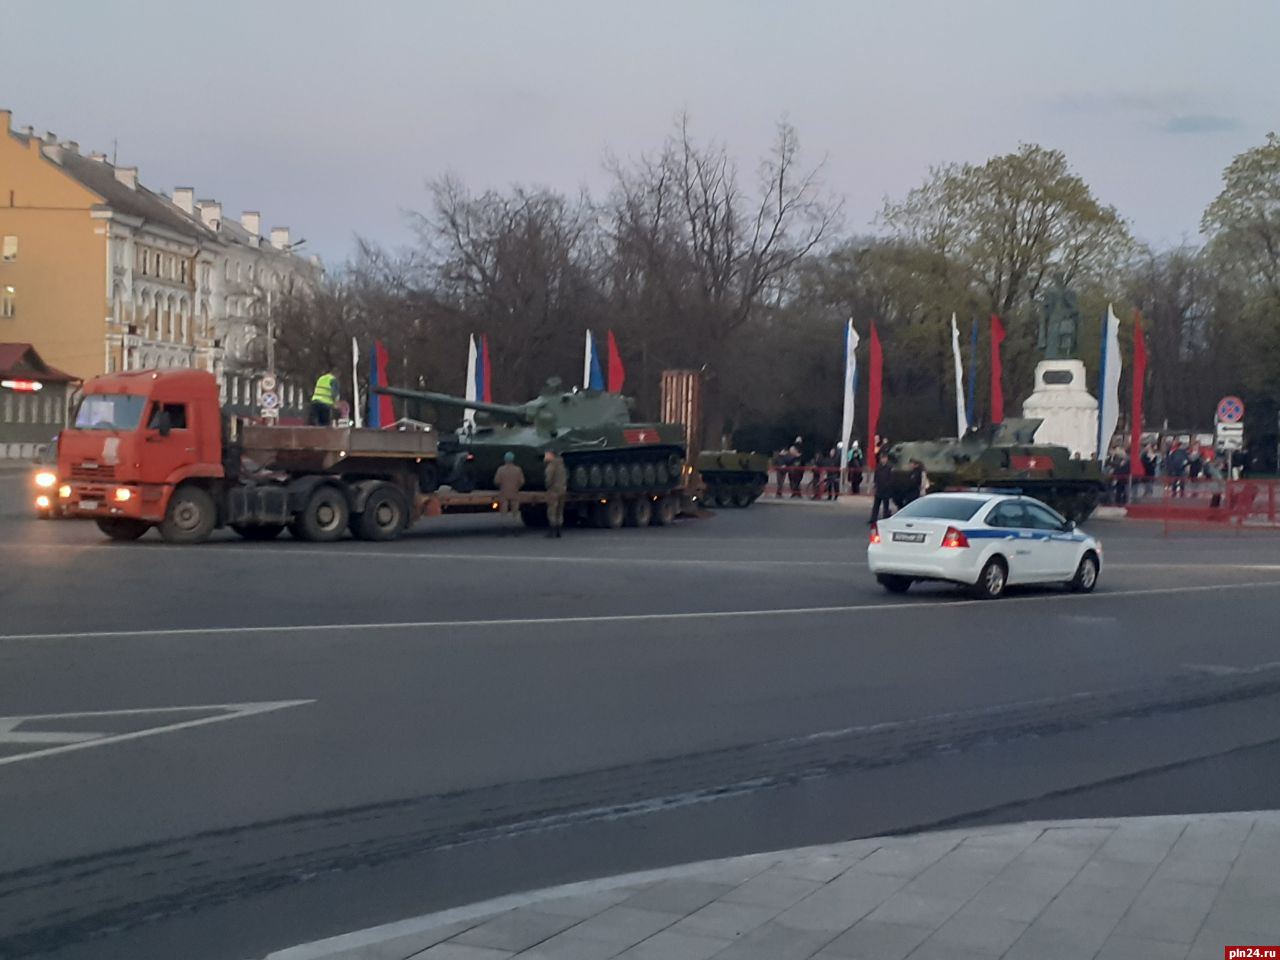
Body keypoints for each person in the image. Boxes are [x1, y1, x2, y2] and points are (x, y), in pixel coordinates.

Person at [493, 451, 525, 534]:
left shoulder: (501, 469)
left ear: (505, 459)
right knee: (515, 512)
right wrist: (517, 487)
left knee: (503, 512)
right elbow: (522, 481)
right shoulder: (518, 469)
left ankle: (503, 529)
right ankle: (516, 529)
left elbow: (496, 481)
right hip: (514, 493)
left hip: (504, 493)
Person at [543, 450, 568, 538]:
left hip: (553, 491)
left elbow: (548, 479)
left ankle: (551, 530)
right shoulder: (562, 466)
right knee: (560, 511)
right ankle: (559, 531)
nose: (545, 457)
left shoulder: (551, 466)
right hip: (562, 490)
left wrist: (547, 486)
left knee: (552, 511)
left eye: (547, 455)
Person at [869, 453, 894, 524]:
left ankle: (885, 517)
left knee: (886, 505)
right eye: (882, 459)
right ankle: (873, 518)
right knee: (876, 505)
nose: (883, 460)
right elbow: (876, 476)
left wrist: (888, 485)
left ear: (887, 459)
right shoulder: (878, 467)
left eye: (884, 458)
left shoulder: (890, 467)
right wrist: (875, 485)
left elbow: (891, 478)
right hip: (879, 488)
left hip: (886, 489)